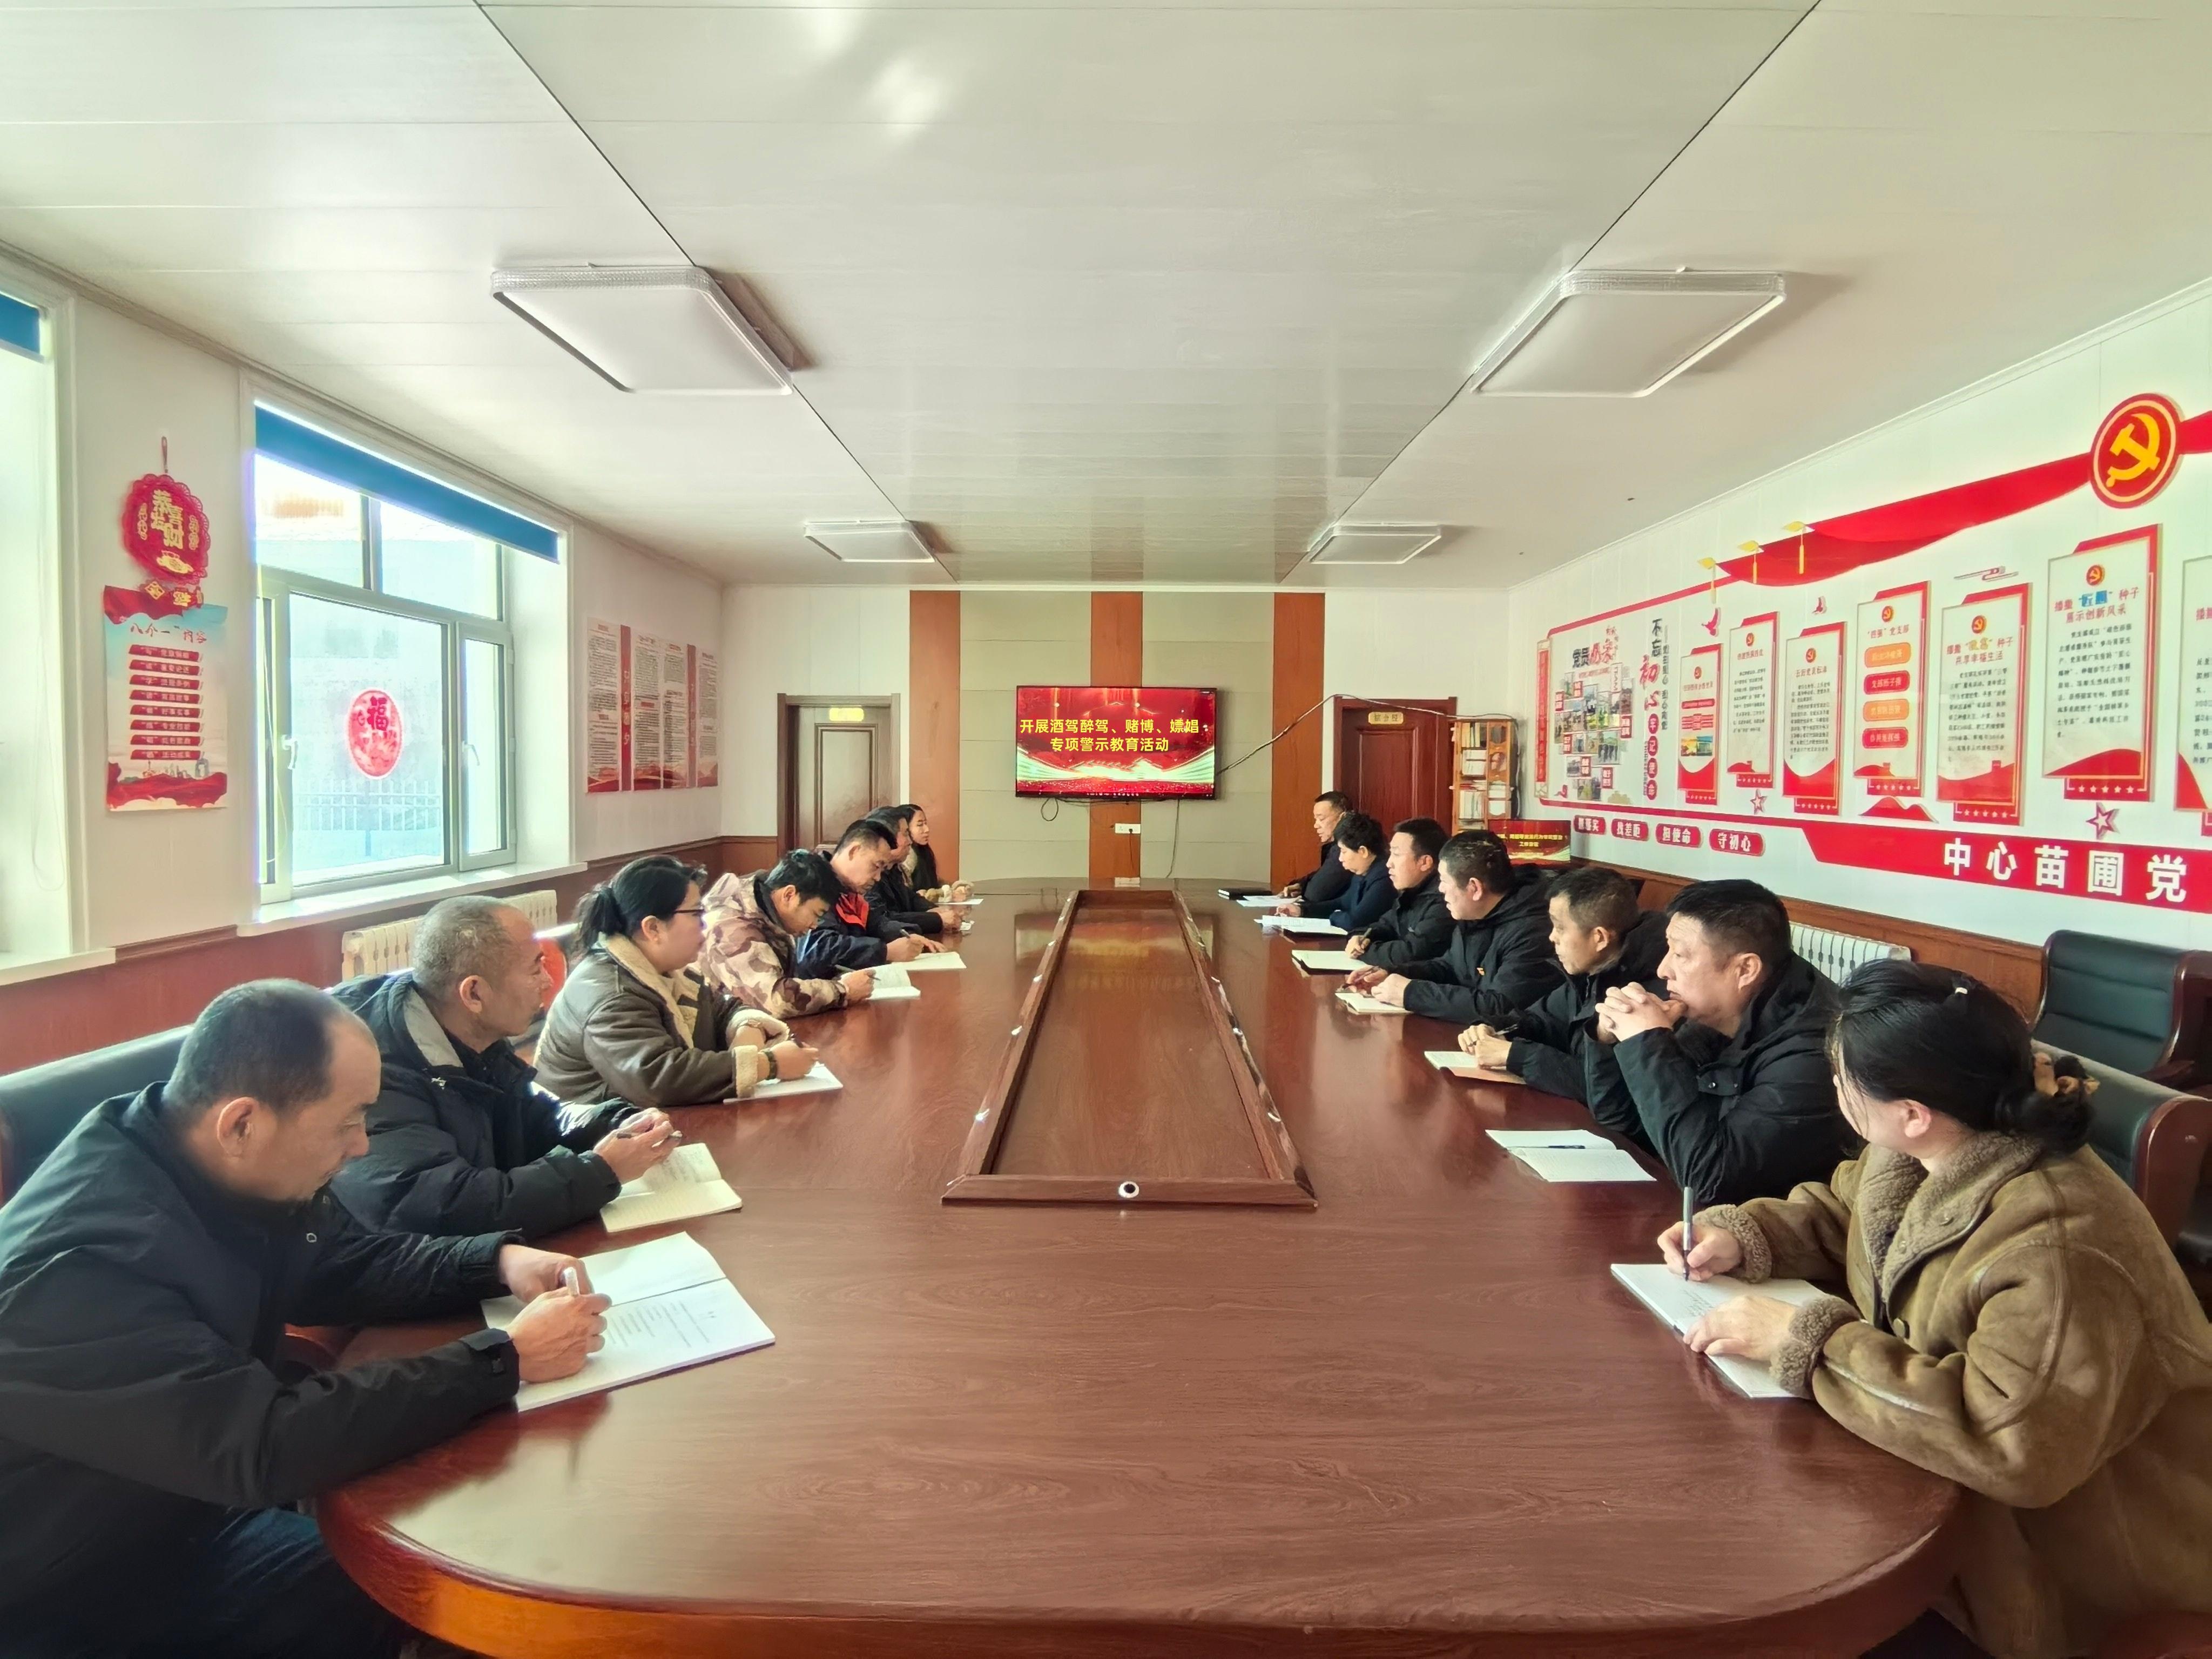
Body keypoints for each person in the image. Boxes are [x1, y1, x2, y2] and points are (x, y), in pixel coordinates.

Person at [0, 980, 608, 1659]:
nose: (361, 1146)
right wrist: (503, 1359)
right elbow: (262, 1443)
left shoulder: (202, 1155)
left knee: (454, 1560)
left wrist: (493, 1261)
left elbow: (339, 1262)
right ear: (242, 1124)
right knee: (438, 1593)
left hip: (179, 1512)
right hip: (70, 1597)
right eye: (348, 1121)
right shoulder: (81, 1271)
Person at [1661, 963, 2212, 1659]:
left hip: (2062, 1576)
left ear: (1912, 1113)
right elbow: (1852, 1218)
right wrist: (1744, 1236)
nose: (1834, 1090)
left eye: (1842, 1078)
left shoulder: (2058, 1241)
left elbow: (2012, 1445)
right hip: (1940, 1501)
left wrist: (1810, 1342)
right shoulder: (1928, 1147)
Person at [329, 896, 683, 1239]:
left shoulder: (467, 1028)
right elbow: (449, 1207)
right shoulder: (373, 1071)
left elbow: (533, 1118)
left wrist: (614, 1122)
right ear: (474, 994)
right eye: (535, 968)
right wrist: (600, 1171)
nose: (548, 981)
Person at [1584, 878, 1844, 1204]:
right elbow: (1620, 1122)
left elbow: (1710, 1182)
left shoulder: (1813, 1052)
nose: (1663, 970)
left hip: (1773, 1229)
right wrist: (1610, 1039)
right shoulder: (1719, 1013)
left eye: (1680, 954)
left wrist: (1647, 1043)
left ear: (1745, 969)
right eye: (1668, 950)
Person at [536, 855, 817, 1109]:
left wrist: (747, 1028)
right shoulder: (612, 993)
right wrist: (768, 1064)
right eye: (696, 914)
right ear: (653, 928)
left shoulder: (666, 968)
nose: (705, 925)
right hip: (592, 1135)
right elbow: (658, 1078)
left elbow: (723, 1009)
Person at [1458, 864, 1667, 1102]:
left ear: (1600, 938)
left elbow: (1608, 1089)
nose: (1552, 937)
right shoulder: (1593, 972)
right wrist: (1494, 1028)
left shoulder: (1645, 995)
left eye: (1560, 928)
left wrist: (1516, 1056)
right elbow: (1540, 1021)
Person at [1347, 830, 1557, 1021]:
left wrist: (1411, 994)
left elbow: (1501, 1006)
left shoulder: (1534, 931)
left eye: (1445, 881)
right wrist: (1390, 973)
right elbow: (1449, 967)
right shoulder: (1475, 912)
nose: (1440, 889)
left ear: (1474, 888)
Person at [699, 847, 875, 1019]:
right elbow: (776, 1000)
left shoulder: (765, 906)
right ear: (789, 895)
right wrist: (843, 990)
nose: (814, 925)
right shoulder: (734, 926)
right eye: (816, 914)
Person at [793, 819, 943, 975]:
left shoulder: (850, 892)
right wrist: (885, 951)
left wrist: (908, 935)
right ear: (854, 851)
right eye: (876, 866)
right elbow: (817, 949)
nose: (878, 878)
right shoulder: (815, 884)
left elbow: (877, 924)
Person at [1341, 817, 1451, 972]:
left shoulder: (1445, 901)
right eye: (1390, 854)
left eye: (1397, 855)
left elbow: (1411, 953)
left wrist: (1365, 951)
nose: (1389, 863)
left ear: (1425, 862)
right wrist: (1360, 937)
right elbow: (1385, 926)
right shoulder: (1412, 892)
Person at [865, 806, 965, 938]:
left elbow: (910, 897)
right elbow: (883, 919)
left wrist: (932, 909)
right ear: (887, 838)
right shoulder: (869, 874)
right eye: (906, 834)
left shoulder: (892, 868)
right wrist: (937, 920)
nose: (910, 841)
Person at [1277, 791, 1354, 915]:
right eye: (1316, 819)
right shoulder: (1336, 846)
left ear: (1343, 818)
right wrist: (1301, 885)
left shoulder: (1348, 849)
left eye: (1321, 819)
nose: (1316, 826)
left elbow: (1316, 893)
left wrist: (1304, 889)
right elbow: (1321, 875)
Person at [1323, 812, 1394, 935]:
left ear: (1363, 851)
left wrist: (1334, 916)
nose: (1340, 858)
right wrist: (1303, 909)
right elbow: (1342, 903)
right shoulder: (1363, 873)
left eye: (1344, 852)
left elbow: (1354, 922)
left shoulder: (1385, 878)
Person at [906, 804, 970, 904]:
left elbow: (935, 882)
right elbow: (909, 896)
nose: (927, 829)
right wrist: (948, 894)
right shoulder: (908, 855)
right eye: (920, 825)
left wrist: (957, 887)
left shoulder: (923, 851)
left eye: (926, 824)